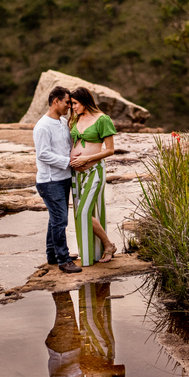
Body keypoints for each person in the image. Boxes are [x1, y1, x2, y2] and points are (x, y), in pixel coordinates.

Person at [33, 86, 82, 274]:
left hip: (63, 178)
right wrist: (68, 162)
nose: (69, 106)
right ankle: (63, 260)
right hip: (49, 180)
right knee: (60, 220)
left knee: (55, 219)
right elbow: (43, 154)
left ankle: (52, 255)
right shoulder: (42, 126)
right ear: (56, 101)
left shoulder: (62, 122)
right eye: (67, 102)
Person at [68, 87, 118, 266]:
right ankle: (88, 252)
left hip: (94, 171)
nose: (72, 107)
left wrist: (87, 158)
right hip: (76, 174)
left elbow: (110, 150)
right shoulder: (75, 119)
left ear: (85, 101)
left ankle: (108, 245)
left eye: (75, 103)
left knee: (83, 212)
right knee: (79, 213)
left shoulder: (102, 119)